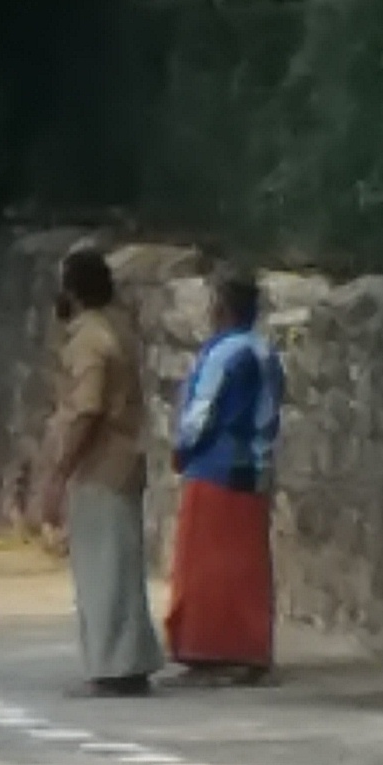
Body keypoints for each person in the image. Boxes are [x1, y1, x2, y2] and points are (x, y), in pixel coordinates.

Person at [41, 247, 166, 696]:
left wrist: (59, 471)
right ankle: (127, 658)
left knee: (103, 568)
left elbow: (88, 409)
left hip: (100, 464)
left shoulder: (90, 338)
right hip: (122, 459)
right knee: (120, 564)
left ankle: (115, 665)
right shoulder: (118, 329)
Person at [166, 271, 282, 683]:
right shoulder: (265, 353)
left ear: (223, 307)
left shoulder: (222, 354)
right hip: (251, 468)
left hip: (214, 466)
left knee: (206, 566)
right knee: (245, 563)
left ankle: (210, 648)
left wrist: (182, 446)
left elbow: (203, 409)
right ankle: (249, 647)